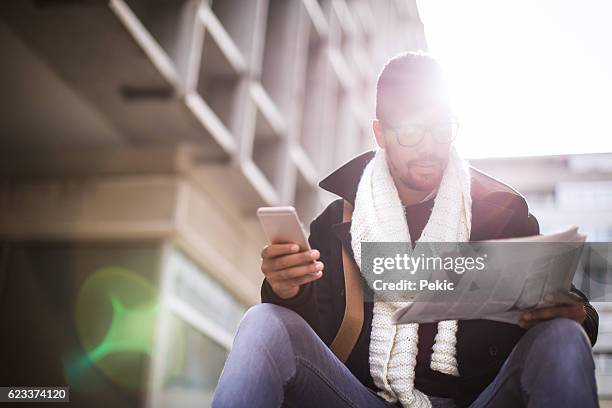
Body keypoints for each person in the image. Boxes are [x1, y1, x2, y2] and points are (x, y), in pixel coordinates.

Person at [212, 51, 599, 408]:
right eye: (411, 133)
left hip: (478, 401)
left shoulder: (500, 212)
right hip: (362, 398)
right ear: (381, 135)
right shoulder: (338, 221)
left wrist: (575, 312)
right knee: (264, 323)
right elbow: (317, 341)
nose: (429, 148)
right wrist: (287, 290)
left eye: (441, 129)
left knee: (563, 338)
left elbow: (566, 303)